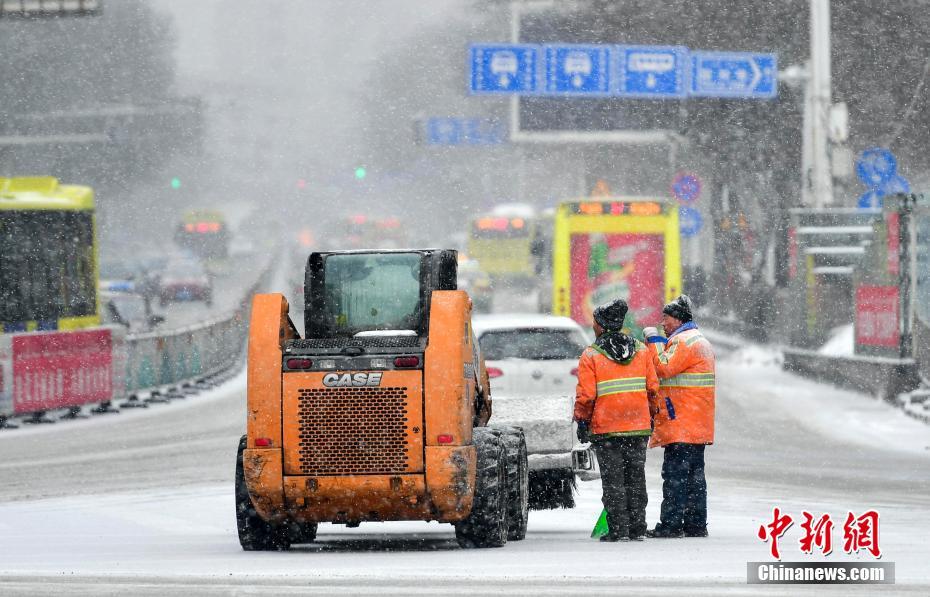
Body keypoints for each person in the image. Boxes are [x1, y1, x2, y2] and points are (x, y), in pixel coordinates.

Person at [574, 299, 659, 542]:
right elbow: (653, 389)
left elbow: (587, 396)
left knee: (614, 482)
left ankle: (619, 530)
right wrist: (651, 415)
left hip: (607, 429)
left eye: (594, 323)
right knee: (635, 477)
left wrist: (582, 420)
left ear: (600, 326)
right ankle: (637, 528)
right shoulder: (642, 350)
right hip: (638, 426)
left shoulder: (591, 355)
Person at [642, 295, 716, 539]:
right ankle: (696, 524)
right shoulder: (699, 340)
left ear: (678, 318)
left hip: (681, 422)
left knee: (675, 476)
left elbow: (663, 367)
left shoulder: (684, 342)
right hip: (696, 423)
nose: (663, 322)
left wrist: (653, 340)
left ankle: (671, 525)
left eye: (666, 318)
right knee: (695, 478)